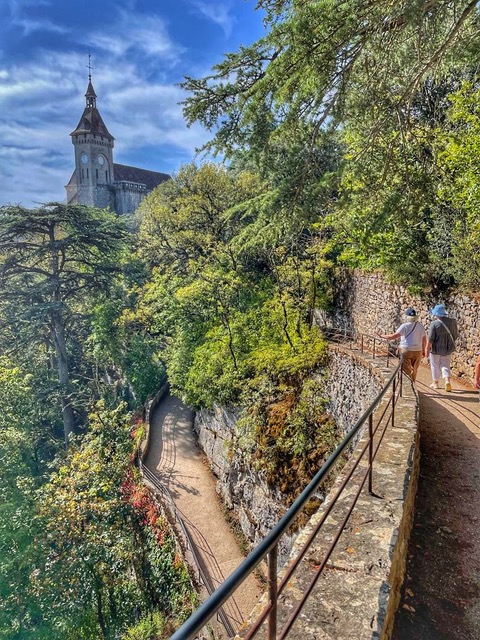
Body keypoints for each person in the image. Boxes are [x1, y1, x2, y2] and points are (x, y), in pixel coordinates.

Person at [376, 307, 427, 382]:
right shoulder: (420, 326)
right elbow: (424, 339)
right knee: (415, 368)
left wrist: (381, 336)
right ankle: (413, 382)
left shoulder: (404, 326)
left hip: (406, 349)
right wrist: (424, 350)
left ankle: (408, 384)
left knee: (406, 369)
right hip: (418, 350)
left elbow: (393, 336)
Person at [426, 303, 458, 391]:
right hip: (448, 348)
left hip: (436, 349)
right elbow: (455, 335)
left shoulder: (434, 324)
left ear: (436, 314)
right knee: (446, 365)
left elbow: (430, 339)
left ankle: (435, 383)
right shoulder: (453, 322)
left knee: (435, 365)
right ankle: (447, 381)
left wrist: (427, 349)